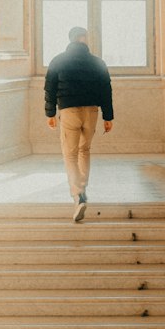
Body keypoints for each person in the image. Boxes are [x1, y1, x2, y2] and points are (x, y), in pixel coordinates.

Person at [44, 27, 113, 221]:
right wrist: (108, 116)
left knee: (70, 154)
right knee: (84, 151)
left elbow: (49, 88)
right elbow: (106, 89)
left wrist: (50, 113)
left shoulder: (58, 60)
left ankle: (78, 193)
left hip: (68, 111)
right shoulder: (97, 62)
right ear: (83, 39)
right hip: (91, 112)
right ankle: (82, 189)